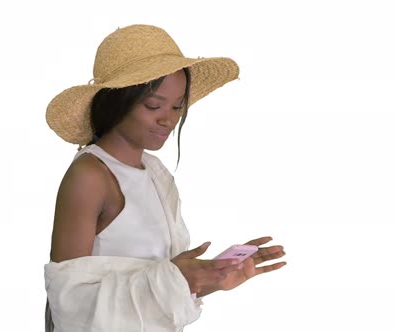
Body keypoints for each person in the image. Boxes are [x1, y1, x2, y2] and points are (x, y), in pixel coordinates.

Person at [44, 24, 286, 332]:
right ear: (117, 102)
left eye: (177, 106)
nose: (168, 119)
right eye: (153, 105)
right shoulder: (90, 176)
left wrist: (212, 277)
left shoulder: (157, 174)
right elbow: (67, 305)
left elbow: (159, 293)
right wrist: (178, 279)